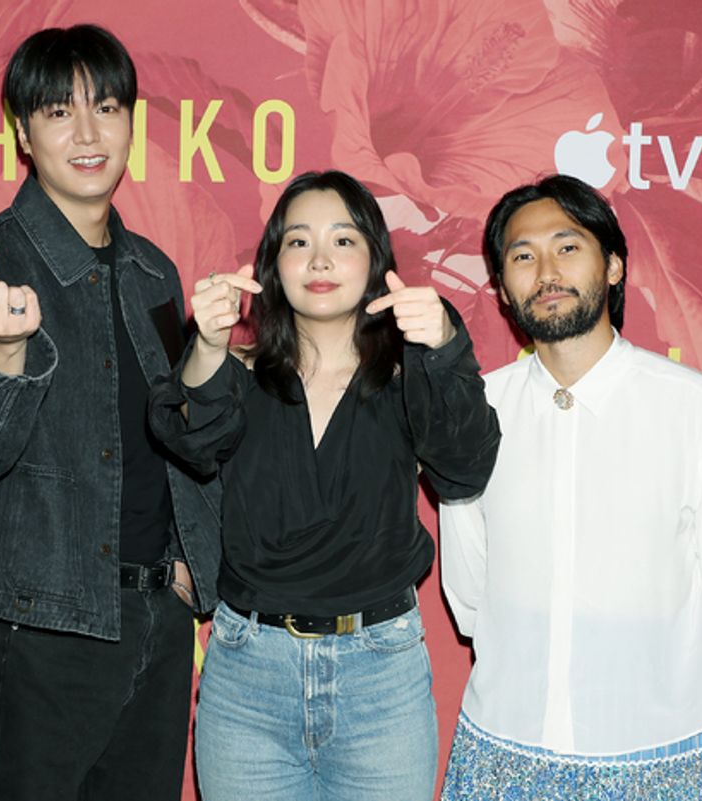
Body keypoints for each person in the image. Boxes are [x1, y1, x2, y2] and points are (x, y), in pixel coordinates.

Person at [0, 25, 219, 801]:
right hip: (36, 637)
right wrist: (2, 356)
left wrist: (187, 559)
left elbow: (172, 435)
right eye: (58, 112)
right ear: (22, 130)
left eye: (107, 107)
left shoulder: (156, 272)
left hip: (155, 626)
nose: (88, 134)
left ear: (131, 123)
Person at [148, 170, 500, 801]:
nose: (318, 259)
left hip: (380, 675)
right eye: (297, 241)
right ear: (271, 264)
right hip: (249, 675)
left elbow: (466, 469)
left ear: (375, 260)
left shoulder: (408, 369)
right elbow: (190, 443)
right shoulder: (237, 372)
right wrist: (205, 345)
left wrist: (444, 346)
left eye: (343, 241)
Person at [439, 174, 702, 800]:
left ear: (614, 266)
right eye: (522, 256)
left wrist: (645, 663)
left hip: (657, 752)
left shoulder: (700, 416)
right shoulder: (477, 413)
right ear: (503, 291)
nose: (546, 271)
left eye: (568, 247)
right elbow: (469, 584)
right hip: (501, 747)